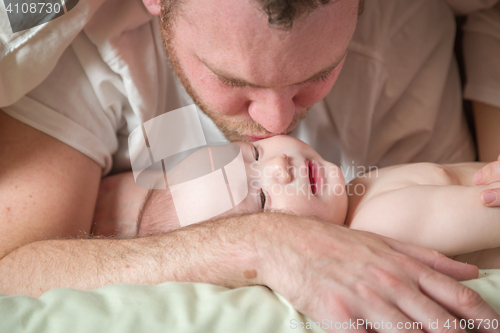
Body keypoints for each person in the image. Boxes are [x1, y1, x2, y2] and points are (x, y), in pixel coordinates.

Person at [1, 0, 500, 329]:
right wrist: (261, 242)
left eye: (320, 72)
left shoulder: (408, 21)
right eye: (231, 80)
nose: (278, 122)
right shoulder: (80, 55)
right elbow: (12, 272)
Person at [133, 135, 500, 268]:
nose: (279, 166)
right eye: (261, 198)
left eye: (254, 153)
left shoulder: (359, 195)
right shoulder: (378, 226)